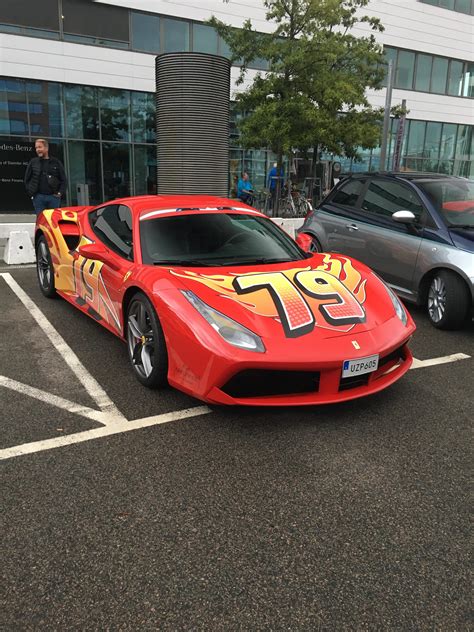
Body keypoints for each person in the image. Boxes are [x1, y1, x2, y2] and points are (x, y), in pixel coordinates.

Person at [24, 138, 67, 215]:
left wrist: (60, 193)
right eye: (36, 148)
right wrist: (32, 194)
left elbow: (63, 179)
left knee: (53, 221)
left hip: (53, 198)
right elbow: (27, 179)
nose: (37, 150)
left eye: (40, 147)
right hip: (38, 198)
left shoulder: (56, 162)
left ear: (46, 148)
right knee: (41, 221)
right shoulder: (33, 162)